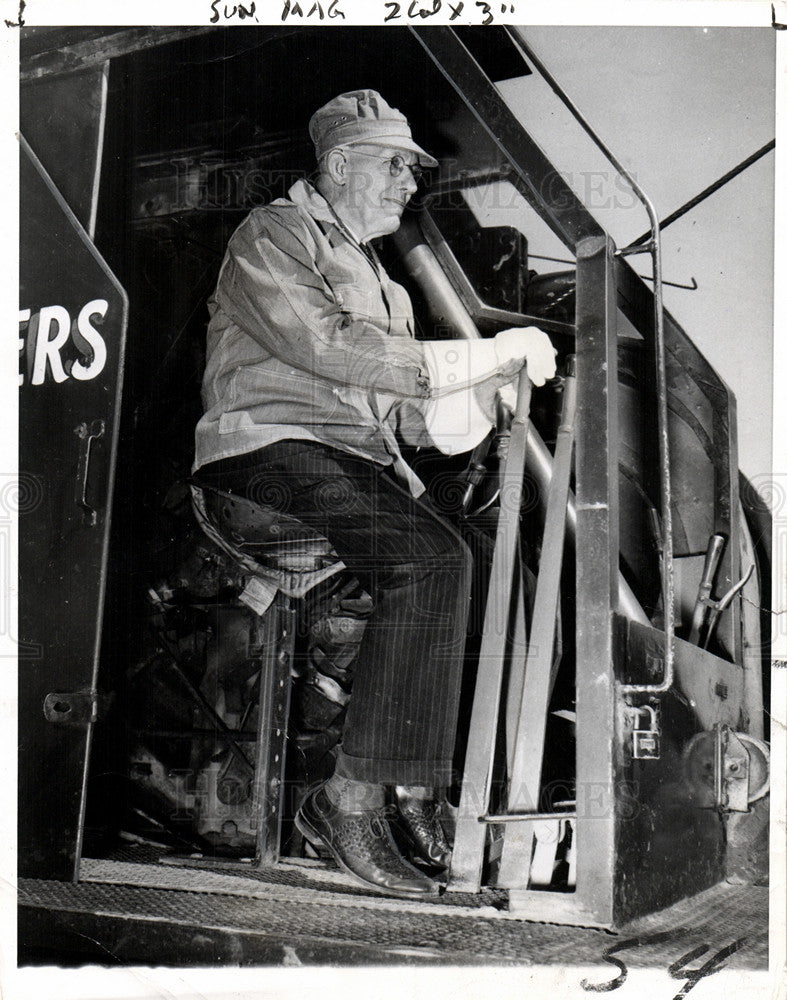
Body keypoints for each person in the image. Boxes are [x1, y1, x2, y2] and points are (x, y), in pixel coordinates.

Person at [193, 89, 556, 899]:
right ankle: (346, 805)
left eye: (412, 169)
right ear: (340, 164)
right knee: (428, 560)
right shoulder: (274, 234)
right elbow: (324, 345)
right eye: (394, 165)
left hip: (349, 463)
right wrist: (452, 363)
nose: (408, 183)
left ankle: (412, 786)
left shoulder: (383, 281)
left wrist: (481, 397)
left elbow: (399, 414)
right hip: (261, 453)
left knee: (488, 558)